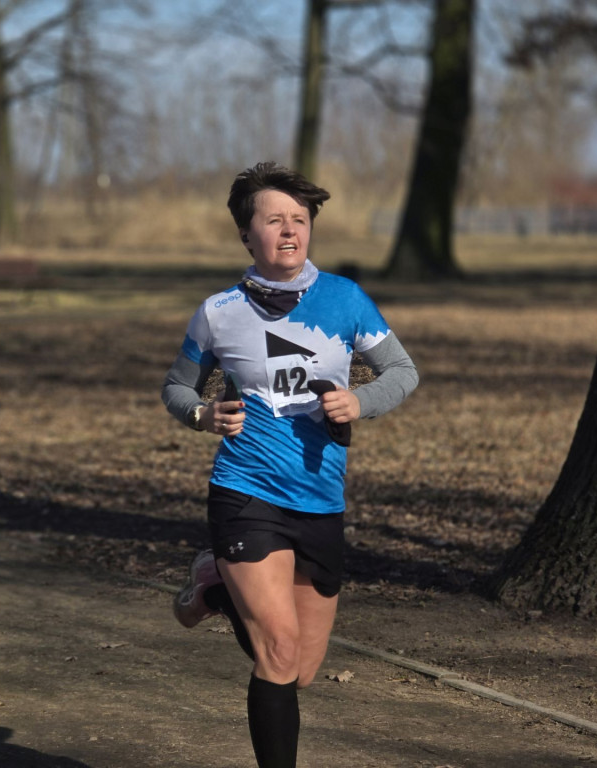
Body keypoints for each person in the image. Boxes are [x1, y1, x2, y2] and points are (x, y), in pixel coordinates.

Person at [162, 161, 418, 768]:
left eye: (299, 219)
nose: (289, 230)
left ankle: (217, 591)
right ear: (246, 234)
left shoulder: (346, 300)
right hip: (246, 492)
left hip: (321, 499)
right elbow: (177, 388)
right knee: (276, 652)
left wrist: (359, 401)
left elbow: (402, 372)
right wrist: (203, 415)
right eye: (274, 219)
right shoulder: (219, 312)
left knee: (299, 670)